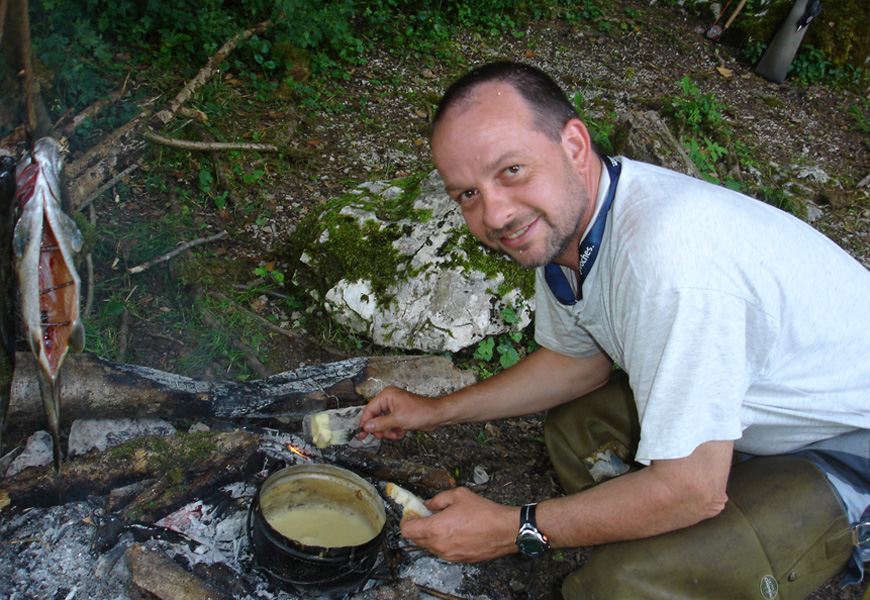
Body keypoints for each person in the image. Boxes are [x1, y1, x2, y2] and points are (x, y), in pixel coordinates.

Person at [358, 61, 870, 599]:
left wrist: (512, 530)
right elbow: (577, 363)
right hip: (771, 414)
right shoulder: (576, 224)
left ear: (574, 146)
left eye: (511, 170)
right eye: (467, 194)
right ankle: (695, 511)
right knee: (577, 429)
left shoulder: (668, 266)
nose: (495, 214)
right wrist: (435, 410)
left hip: (848, 445)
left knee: (619, 584)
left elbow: (694, 491)